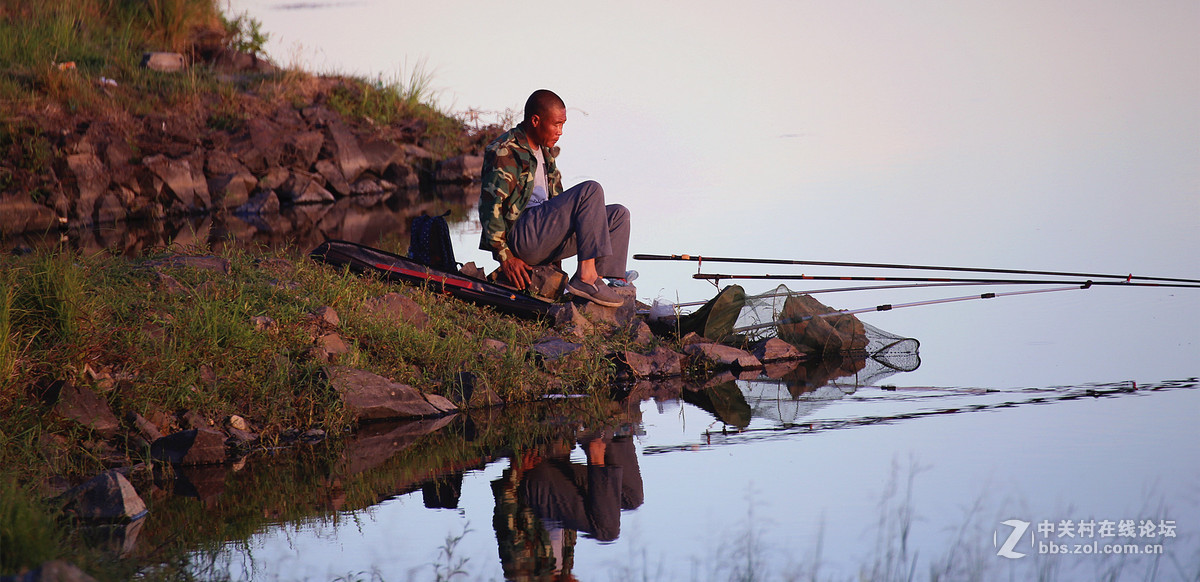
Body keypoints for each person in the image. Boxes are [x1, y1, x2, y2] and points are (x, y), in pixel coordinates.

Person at [478, 89, 631, 308]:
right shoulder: (506, 150)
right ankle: (586, 279)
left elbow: (557, 208)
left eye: (563, 125)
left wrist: (555, 269)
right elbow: (489, 208)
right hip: (523, 236)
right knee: (591, 190)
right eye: (556, 124)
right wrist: (506, 258)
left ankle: (606, 282)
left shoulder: (546, 152)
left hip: (543, 235)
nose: (560, 131)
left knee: (618, 215)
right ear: (535, 120)